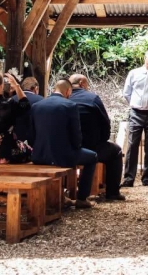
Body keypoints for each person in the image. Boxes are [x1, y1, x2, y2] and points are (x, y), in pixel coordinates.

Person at [31, 78, 98, 209]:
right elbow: (76, 134)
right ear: (68, 91)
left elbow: (32, 133)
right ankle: (82, 198)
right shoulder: (70, 106)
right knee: (92, 157)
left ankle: (63, 195)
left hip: (39, 155)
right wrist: (77, 147)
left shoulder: (36, 106)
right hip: (63, 156)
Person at [69, 74, 125, 201]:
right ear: (82, 83)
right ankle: (112, 192)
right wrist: (102, 139)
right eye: (87, 84)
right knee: (116, 151)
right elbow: (105, 122)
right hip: (92, 147)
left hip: (67, 147)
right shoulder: (92, 98)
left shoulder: (64, 98)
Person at [121, 48, 148, 188]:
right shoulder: (134, 73)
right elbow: (126, 93)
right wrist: (135, 105)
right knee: (132, 145)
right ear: (145, 58)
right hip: (136, 113)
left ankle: (146, 178)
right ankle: (129, 178)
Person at [14, 76, 43, 148]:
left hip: (16, 140)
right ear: (36, 89)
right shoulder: (42, 100)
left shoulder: (12, 99)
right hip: (36, 140)